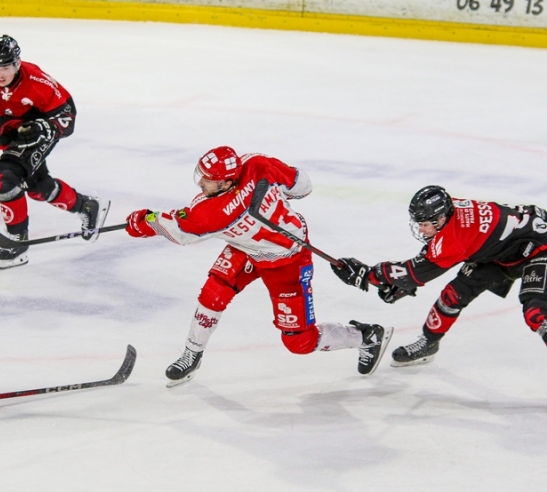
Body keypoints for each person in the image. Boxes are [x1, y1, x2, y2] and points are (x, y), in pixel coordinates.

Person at [125, 146, 394, 386]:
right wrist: (274, 196)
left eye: (207, 179)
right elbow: (303, 185)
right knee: (213, 292)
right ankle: (191, 354)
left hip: (287, 262)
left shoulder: (210, 213)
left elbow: (178, 229)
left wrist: (142, 221)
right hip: (247, 250)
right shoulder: (257, 164)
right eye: (201, 175)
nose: (201, 183)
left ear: (226, 181)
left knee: (299, 341)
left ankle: (366, 337)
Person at [0, 35, 109, 269]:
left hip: (37, 131)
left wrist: (46, 127)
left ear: (17, 64)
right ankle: (86, 206)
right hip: (12, 132)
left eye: (6, 67)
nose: (0, 74)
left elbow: (67, 116)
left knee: (4, 178)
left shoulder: (37, 81)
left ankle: (17, 241)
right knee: (36, 187)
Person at [331, 185, 547, 366]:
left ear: (441, 218)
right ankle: (429, 343)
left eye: (425, 224)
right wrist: (403, 281)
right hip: (503, 252)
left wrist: (368, 274)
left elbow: (413, 273)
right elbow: (429, 261)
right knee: (452, 296)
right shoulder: (452, 212)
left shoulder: (454, 237)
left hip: (539, 248)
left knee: (536, 312)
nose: (421, 229)